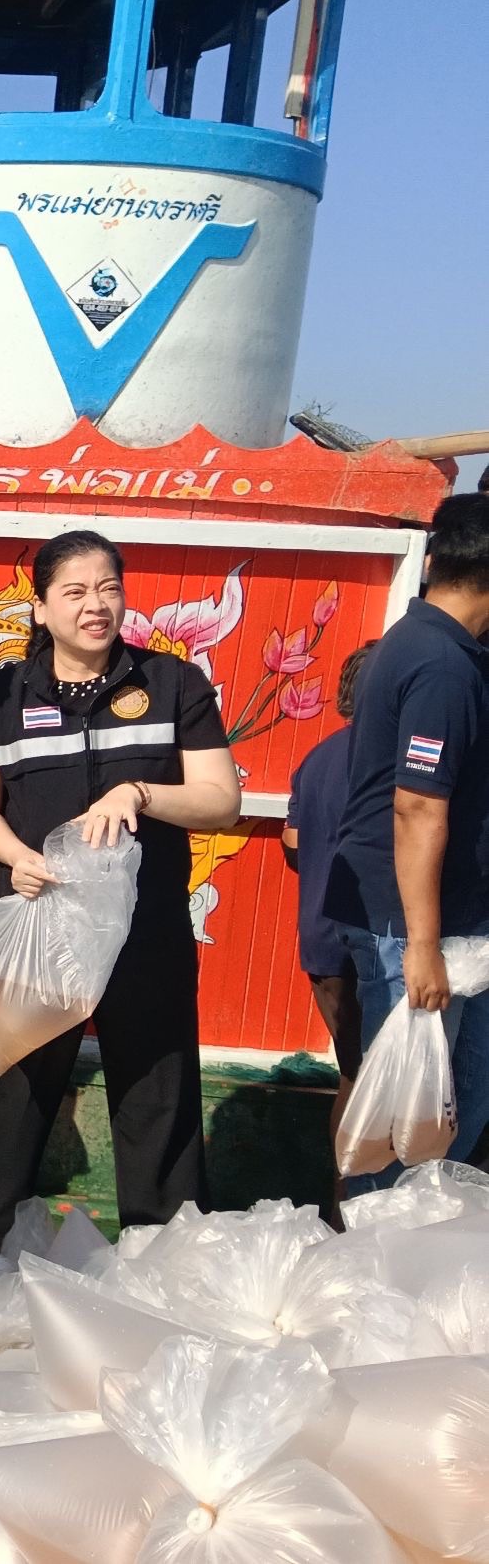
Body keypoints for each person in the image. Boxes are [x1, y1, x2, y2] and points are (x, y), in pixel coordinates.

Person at [0, 530, 242, 1255]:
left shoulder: (173, 684)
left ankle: (164, 1265)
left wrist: (141, 791)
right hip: (41, 930)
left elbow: (221, 800)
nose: (96, 605)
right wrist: (15, 858)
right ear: (40, 607)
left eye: (109, 588)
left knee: (157, 1101)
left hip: (145, 933)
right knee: (10, 1103)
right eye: (75, 592)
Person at [325, 493, 489, 1188]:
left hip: (453, 924)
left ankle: (414, 1238)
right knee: (404, 1121)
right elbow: (418, 806)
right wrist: (422, 945)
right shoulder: (439, 664)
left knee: (453, 1107)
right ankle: (376, 1249)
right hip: (411, 927)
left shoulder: (442, 647)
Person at [281, 641, 377, 1220]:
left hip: (322, 940)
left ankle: (342, 1207)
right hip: (375, 941)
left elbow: (292, 843)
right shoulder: (394, 757)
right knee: (373, 1081)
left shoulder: (318, 758)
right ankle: (353, 1212)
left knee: (353, 1074)